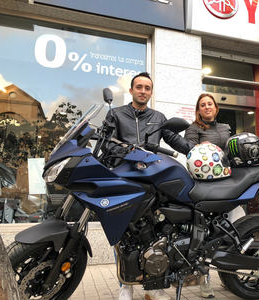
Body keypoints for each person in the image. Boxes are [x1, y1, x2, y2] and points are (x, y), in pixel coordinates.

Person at [108, 72, 191, 300]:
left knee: (152, 235)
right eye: (139, 87)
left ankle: (154, 286)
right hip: (125, 180)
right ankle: (125, 285)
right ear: (132, 90)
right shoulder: (116, 114)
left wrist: (194, 149)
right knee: (123, 236)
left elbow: (174, 139)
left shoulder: (158, 117)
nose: (143, 91)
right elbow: (108, 144)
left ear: (151, 92)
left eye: (147, 88)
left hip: (152, 183)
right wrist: (129, 152)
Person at [184, 93, 231, 299]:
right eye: (202, 105)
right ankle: (204, 282)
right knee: (204, 233)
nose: (206, 107)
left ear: (215, 108)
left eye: (209, 104)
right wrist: (200, 148)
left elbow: (231, 152)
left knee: (228, 229)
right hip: (203, 184)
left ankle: (231, 274)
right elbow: (190, 150)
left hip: (226, 182)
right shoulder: (193, 128)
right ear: (198, 110)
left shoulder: (225, 128)